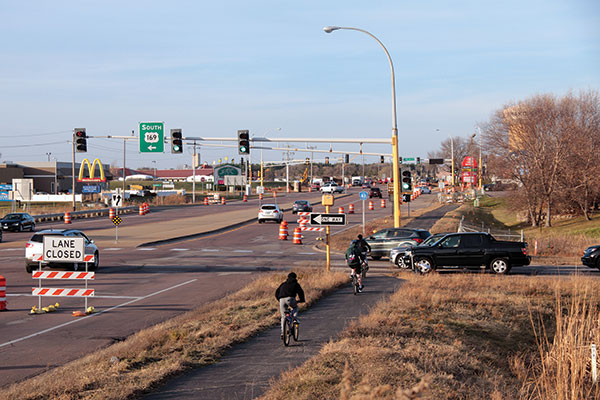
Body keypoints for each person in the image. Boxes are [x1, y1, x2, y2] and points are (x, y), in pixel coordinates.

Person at [275, 272, 305, 338]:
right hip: (290, 299)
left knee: (283, 316)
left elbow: (277, 293)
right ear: (295, 277)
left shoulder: (283, 284)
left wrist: (279, 300)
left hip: (281, 300)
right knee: (295, 308)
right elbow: (300, 292)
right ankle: (294, 318)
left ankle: (283, 333)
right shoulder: (296, 284)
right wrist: (302, 300)